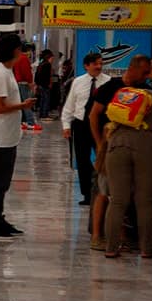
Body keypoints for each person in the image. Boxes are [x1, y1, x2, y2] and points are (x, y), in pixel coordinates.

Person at [104, 71, 152, 258]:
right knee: (144, 200)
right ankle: (146, 249)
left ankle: (111, 248)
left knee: (117, 200)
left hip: (118, 144)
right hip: (147, 148)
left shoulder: (139, 95)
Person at [87, 55, 151, 250]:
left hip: (132, 150)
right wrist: (99, 143)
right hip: (109, 146)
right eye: (145, 71)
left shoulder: (144, 91)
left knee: (123, 194)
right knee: (103, 191)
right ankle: (97, 235)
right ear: (133, 68)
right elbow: (93, 115)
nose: (147, 75)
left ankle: (122, 235)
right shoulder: (110, 87)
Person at [0, 34, 36, 239]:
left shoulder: (5, 70)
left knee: (2, 182)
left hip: (8, 135)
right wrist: (22, 106)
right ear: (14, 50)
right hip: (1, 137)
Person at [61, 53, 110, 206]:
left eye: (100, 63)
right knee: (82, 160)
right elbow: (70, 104)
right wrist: (66, 125)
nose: (98, 67)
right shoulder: (77, 82)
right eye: (95, 64)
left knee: (103, 158)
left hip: (100, 125)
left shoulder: (108, 82)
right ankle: (87, 194)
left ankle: (104, 191)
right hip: (81, 124)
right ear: (86, 66)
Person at [35, 50, 55, 121]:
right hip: (45, 85)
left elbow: (37, 75)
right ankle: (44, 115)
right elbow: (48, 76)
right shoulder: (47, 65)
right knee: (46, 100)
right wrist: (49, 83)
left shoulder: (41, 64)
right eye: (52, 57)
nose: (53, 59)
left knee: (42, 100)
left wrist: (37, 84)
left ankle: (42, 114)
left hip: (41, 84)